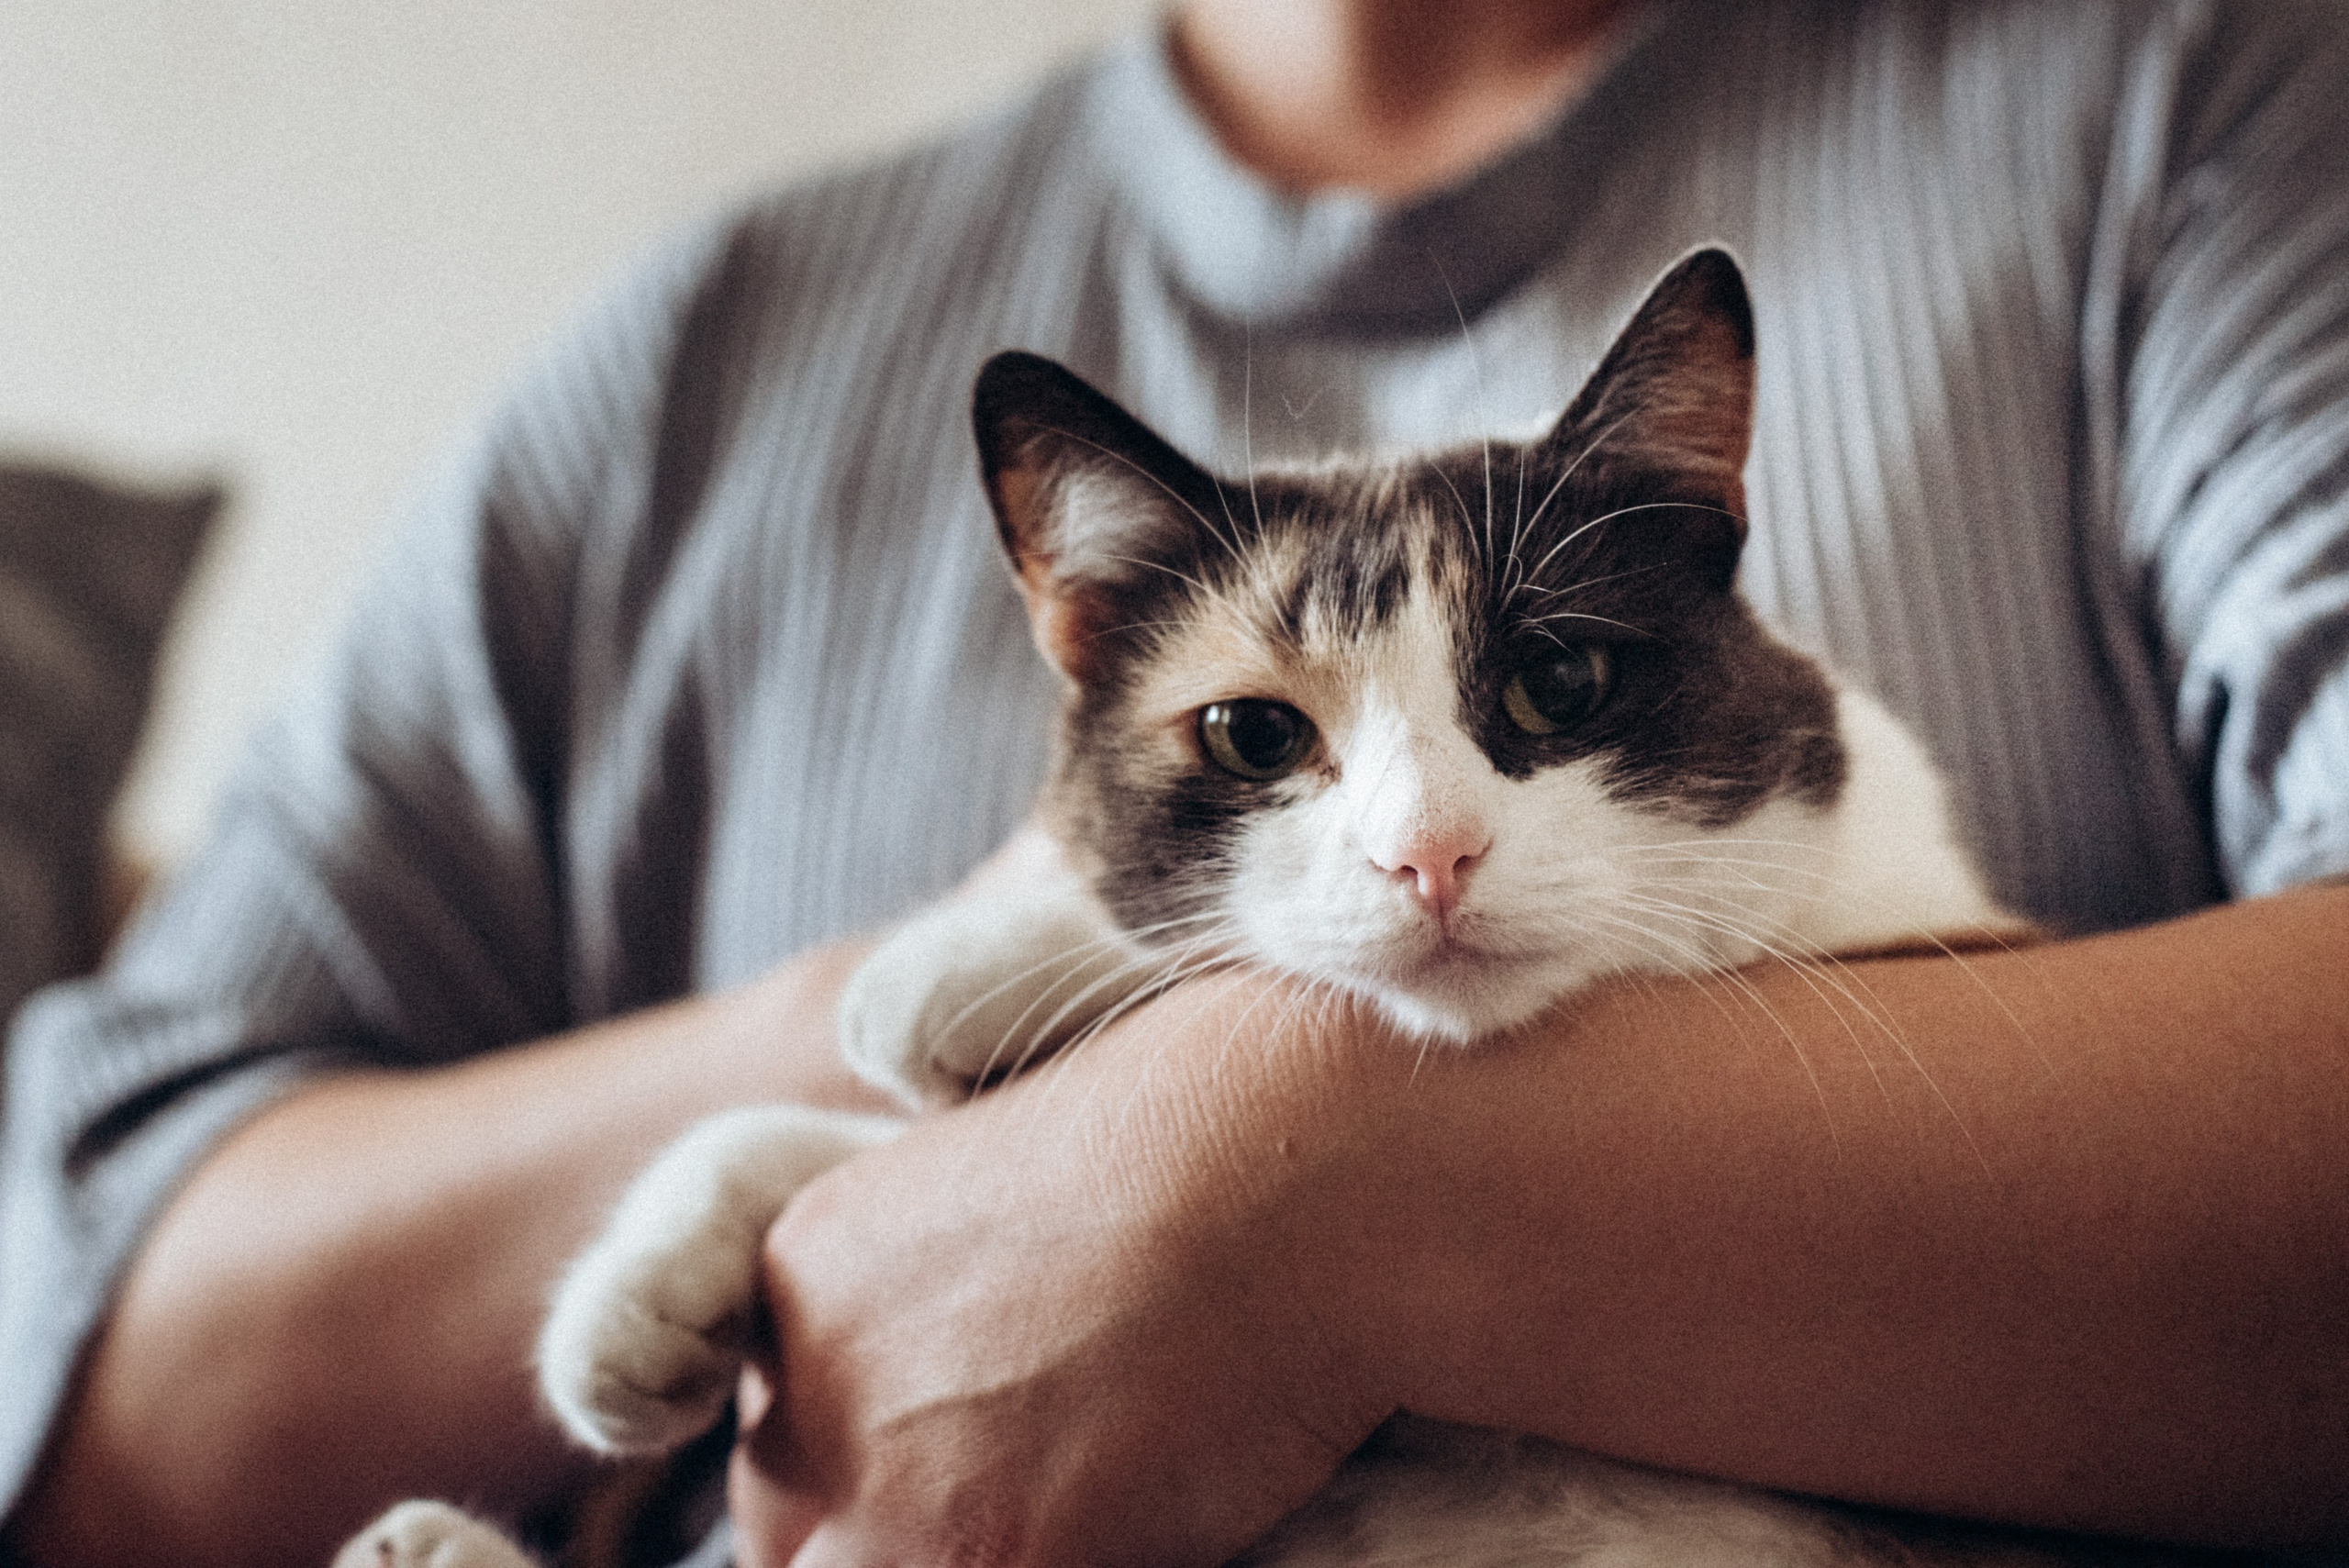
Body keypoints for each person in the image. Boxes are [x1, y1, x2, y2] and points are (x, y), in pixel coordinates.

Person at [6, 0, 2348, 1564]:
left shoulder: (2203, 103)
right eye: (1255, 739)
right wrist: (945, 1052)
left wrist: (1300, 1194)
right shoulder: (683, 369)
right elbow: (78, 1347)